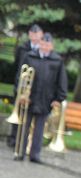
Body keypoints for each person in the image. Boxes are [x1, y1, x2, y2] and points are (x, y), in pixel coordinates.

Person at [14, 33, 67, 163]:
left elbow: (62, 81)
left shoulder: (57, 61)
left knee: (39, 129)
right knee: (24, 127)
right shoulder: (30, 56)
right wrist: (21, 94)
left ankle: (35, 155)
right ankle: (20, 152)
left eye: (47, 44)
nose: (44, 46)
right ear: (39, 44)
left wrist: (58, 98)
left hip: (46, 99)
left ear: (52, 46)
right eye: (42, 44)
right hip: (29, 98)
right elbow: (20, 76)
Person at [7, 24, 43, 148]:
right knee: (17, 112)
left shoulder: (42, 50)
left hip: (35, 88)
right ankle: (13, 138)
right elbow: (17, 67)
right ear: (29, 34)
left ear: (41, 35)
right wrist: (18, 86)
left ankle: (26, 140)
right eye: (32, 34)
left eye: (37, 34)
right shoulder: (22, 48)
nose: (34, 36)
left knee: (29, 115)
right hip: (21, 85)